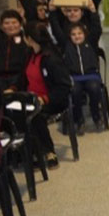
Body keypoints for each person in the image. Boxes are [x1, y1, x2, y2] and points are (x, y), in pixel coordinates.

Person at [18, 21, 71, 169]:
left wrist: (45, 98)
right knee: (14, 112)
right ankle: (28, 152)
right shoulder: (29, 55)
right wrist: (13, 87)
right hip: (31, 98)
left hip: (52, 100)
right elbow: (22, 78)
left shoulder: (51, 58)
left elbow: (64, 86)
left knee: (35, 115)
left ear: (29, 38)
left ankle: (48, 152)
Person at [61, 23, 104, 133]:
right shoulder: (67, 46)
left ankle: (96, 116)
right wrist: (52, 14)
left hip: (91, 75)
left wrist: (93, 12)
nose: (77, 36)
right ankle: (79, 120)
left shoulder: (90, 43)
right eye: (73, 34)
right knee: (75, 91)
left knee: (94, 88)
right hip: (75, 77)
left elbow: (96, 29)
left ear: (84, 34)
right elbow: (57, 31)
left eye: (80, 33)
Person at [0, 10, 30, 90]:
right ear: (1, 25)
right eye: (6, 23)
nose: (11, 26)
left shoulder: (26, 38)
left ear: (20, 24)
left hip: (19, 78)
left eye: (14, 22)